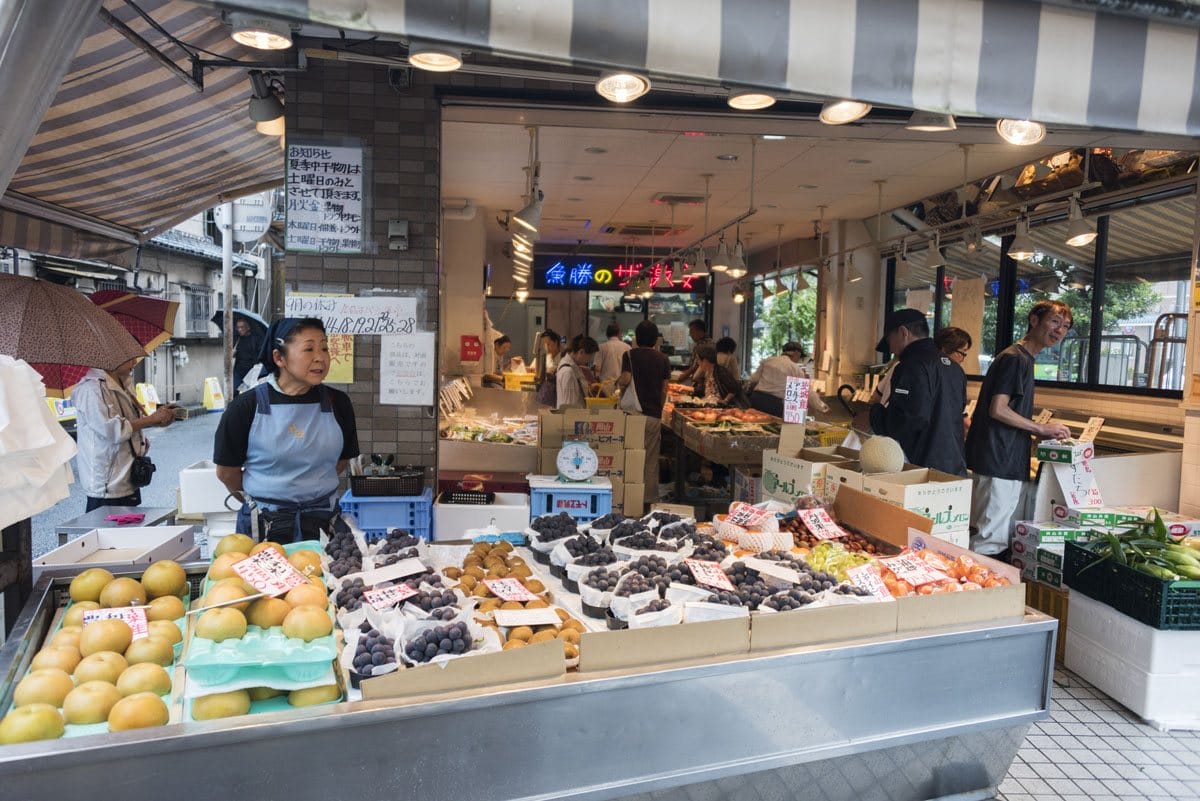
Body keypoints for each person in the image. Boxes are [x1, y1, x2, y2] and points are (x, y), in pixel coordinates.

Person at [214, 317, 360, 543]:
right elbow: (226, 472)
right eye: (309, 349)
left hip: (323, 521)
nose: (320, 357)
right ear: (278, 357)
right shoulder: (246, 407)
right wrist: (266, 499)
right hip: (264, 526)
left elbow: (339, 462)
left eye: (324, 348)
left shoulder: (338, 403)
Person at [966, 300, 1073, 559]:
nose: (1060, 330)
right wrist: (1041, 428)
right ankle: (976, 595)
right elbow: (998, 409)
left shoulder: (1020, 357)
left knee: (991, 534)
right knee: (989, 539)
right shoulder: (1016, 359)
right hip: (998, 459)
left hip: (1000, 458)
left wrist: (1037, 431)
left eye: (1066, 326)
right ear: (1034, 320)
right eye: (1055, 322)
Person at [867, 309, 967, 476]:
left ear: (903, 332)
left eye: (890, 340)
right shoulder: (955, 368)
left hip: (921, 469)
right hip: (954, 466)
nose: (891, 349)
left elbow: (906, 421)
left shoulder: (911, 365)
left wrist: (873, 414)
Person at [74, 357, 177, 512]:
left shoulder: (122, 383)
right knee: (107, 533)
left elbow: (130, 422)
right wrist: (152, 419)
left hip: (126, 475)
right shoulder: (92, 389)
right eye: (129, 358)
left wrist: (156, 422)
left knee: (129, 529)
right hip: (108, 483)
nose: (135, 362)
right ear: (112, 356)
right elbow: (114, 430)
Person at [617, 320, 671, 499]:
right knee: (650, 461)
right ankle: (646, 501)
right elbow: (665, 388)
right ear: (656, 340)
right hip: (653, 416)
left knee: (630, 456)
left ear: (636, 339)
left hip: (632, 415)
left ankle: (629, 497)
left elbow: (626, 379)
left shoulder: (630, 355)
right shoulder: (663, 359)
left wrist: (618, 384)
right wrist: (659, 409)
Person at [748, 342, 830, 418]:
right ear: (796, 353)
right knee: (773, 430)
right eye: (800, 356)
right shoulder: (795, 368)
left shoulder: (768, 361)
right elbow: (807, 392)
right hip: (775, 405)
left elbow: (753, 379)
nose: (799, 359)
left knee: (757, 426)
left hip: (757, 400)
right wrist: (823, 408)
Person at [555, 336, 598, 409]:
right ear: (581, 352)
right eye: (590, 356)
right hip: (573, 418)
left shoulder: (574, 367)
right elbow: (569, 406)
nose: (590, 360)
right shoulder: (568, 372)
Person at [232, 317, 264, 395]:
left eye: (242, 327)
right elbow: (232, 354)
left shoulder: (256, 339)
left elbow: (261, 354)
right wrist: (232, 353)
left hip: (251, 370)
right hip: (238, 370)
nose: (239, 329)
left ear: (248, 327)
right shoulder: (237, 339)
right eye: (238, 327)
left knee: (250, 392)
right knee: (233, 390)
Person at [534, 329, 562, 407]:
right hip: (546, 394)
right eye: (545, 345)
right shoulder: (546, 358)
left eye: (548, 344)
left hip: (557, 395)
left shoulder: (562, 358)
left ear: (556, 342)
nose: (546, 347)